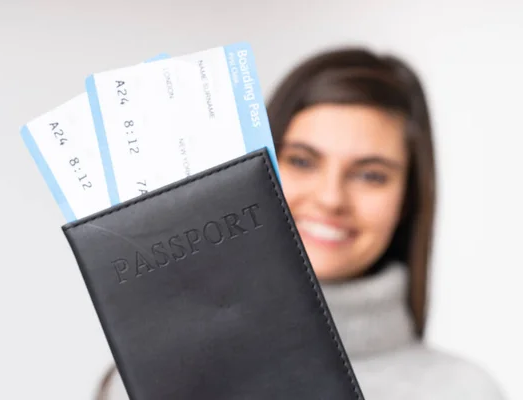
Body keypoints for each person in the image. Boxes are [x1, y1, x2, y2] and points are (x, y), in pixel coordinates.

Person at [95, 47, 505, 400]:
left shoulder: (465, 390)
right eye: (302, 161)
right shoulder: (152, 380)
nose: (330, 198)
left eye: (371, 175)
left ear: (407, 200)